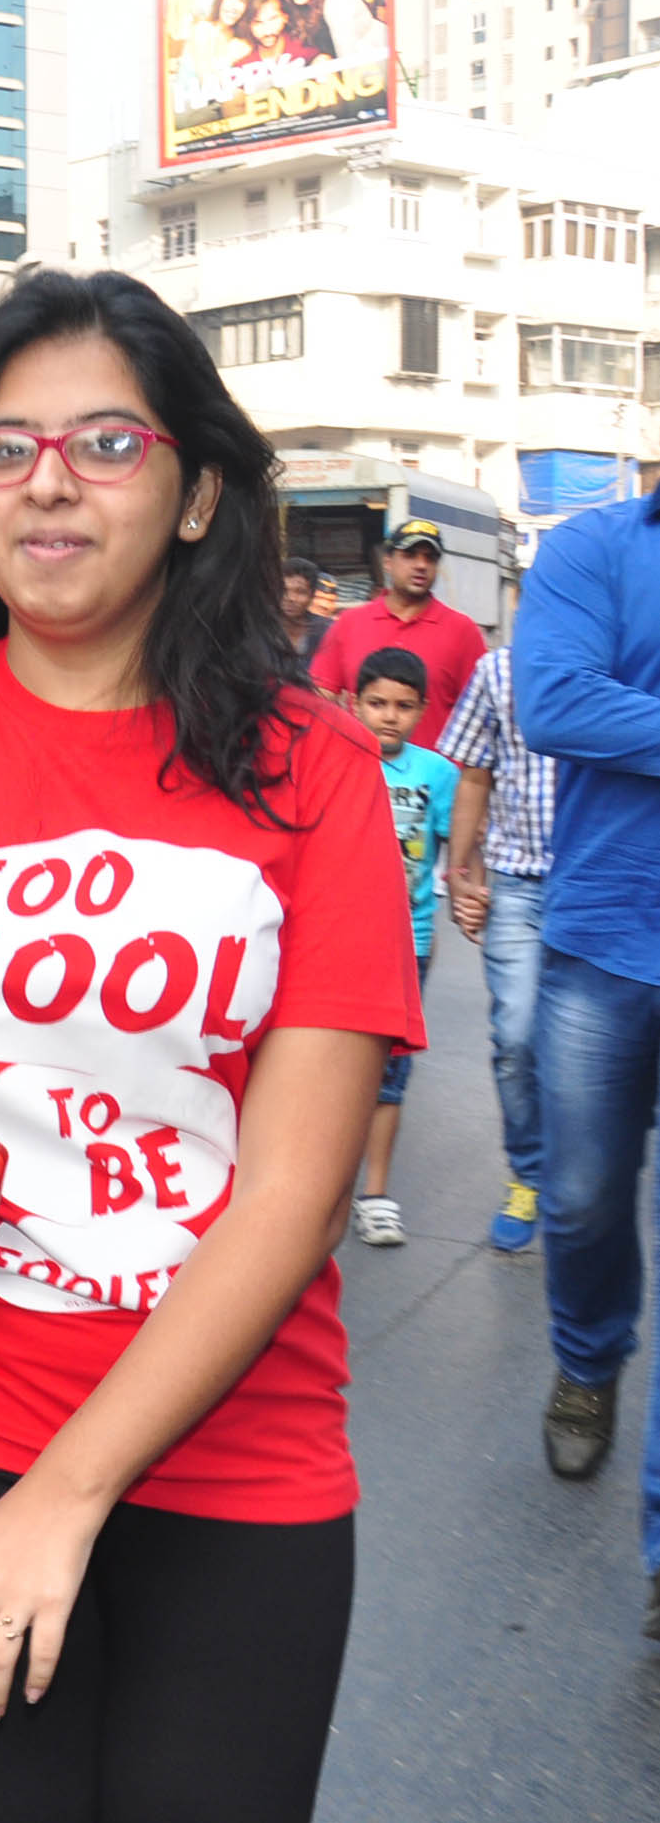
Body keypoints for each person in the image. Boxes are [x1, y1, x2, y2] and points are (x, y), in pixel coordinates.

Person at [0, 267, 418, 1822]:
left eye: (107, 443)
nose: (48, 478)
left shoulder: (312, 770)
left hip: (230, 1451)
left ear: (194, 495)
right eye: (6, 446)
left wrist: (59, 1496)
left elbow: (295, 1194)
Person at [513, 485, 660, 1642]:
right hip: (607, 931)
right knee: (578, 1198)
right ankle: (585, 1357)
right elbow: (555, 702)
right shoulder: (596, 546)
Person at [435, 646, 558, 1252]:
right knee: (516, 1034)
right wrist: (461, 874)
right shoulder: (499, 671)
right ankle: (529, 1176)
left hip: (607, 883)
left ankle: (593, 1175)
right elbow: (475, 775)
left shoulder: (626, 664)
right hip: (517, 885)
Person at [346, 647, 454, 1249]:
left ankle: (376, 1194)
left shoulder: (437, 774)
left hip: (408, 939)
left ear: (421, 710)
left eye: (403, 706)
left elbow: (454, 844)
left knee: (390, 1071)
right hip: (338, 933)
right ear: (354, 702)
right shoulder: (336, 758)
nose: (389, 717)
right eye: (377, 704)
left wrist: (468, 884)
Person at [308, 519, 486, 739]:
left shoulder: (462, 631)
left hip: (435, 772)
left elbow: (481, 716)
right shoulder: (350, 624)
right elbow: (319, 702)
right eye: (410, 555)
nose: (421, 565)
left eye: (429, 558)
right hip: (363, 769)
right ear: (387, 562)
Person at [280, 556, 332, 664]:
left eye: (300, 592)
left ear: (312, 596)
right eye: (284, 590)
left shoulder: (327, 631)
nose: (291, 598)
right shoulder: (261, 632)